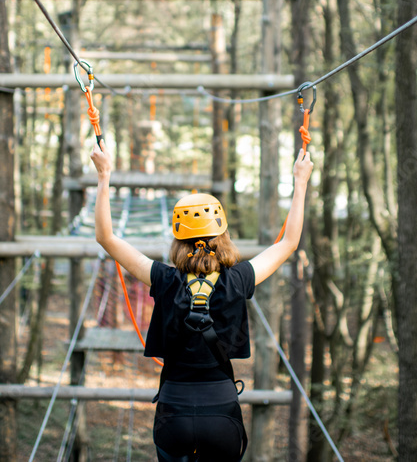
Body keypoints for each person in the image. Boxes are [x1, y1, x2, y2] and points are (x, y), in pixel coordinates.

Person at [90, 139, 313, 462]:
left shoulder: (163, 279)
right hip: (222, 412)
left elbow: (105, 237)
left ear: (178, 237)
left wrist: (104, 177)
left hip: (173, 412)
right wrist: (300, 181)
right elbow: (289, 242)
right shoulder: (239, 278)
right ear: (222, 233)